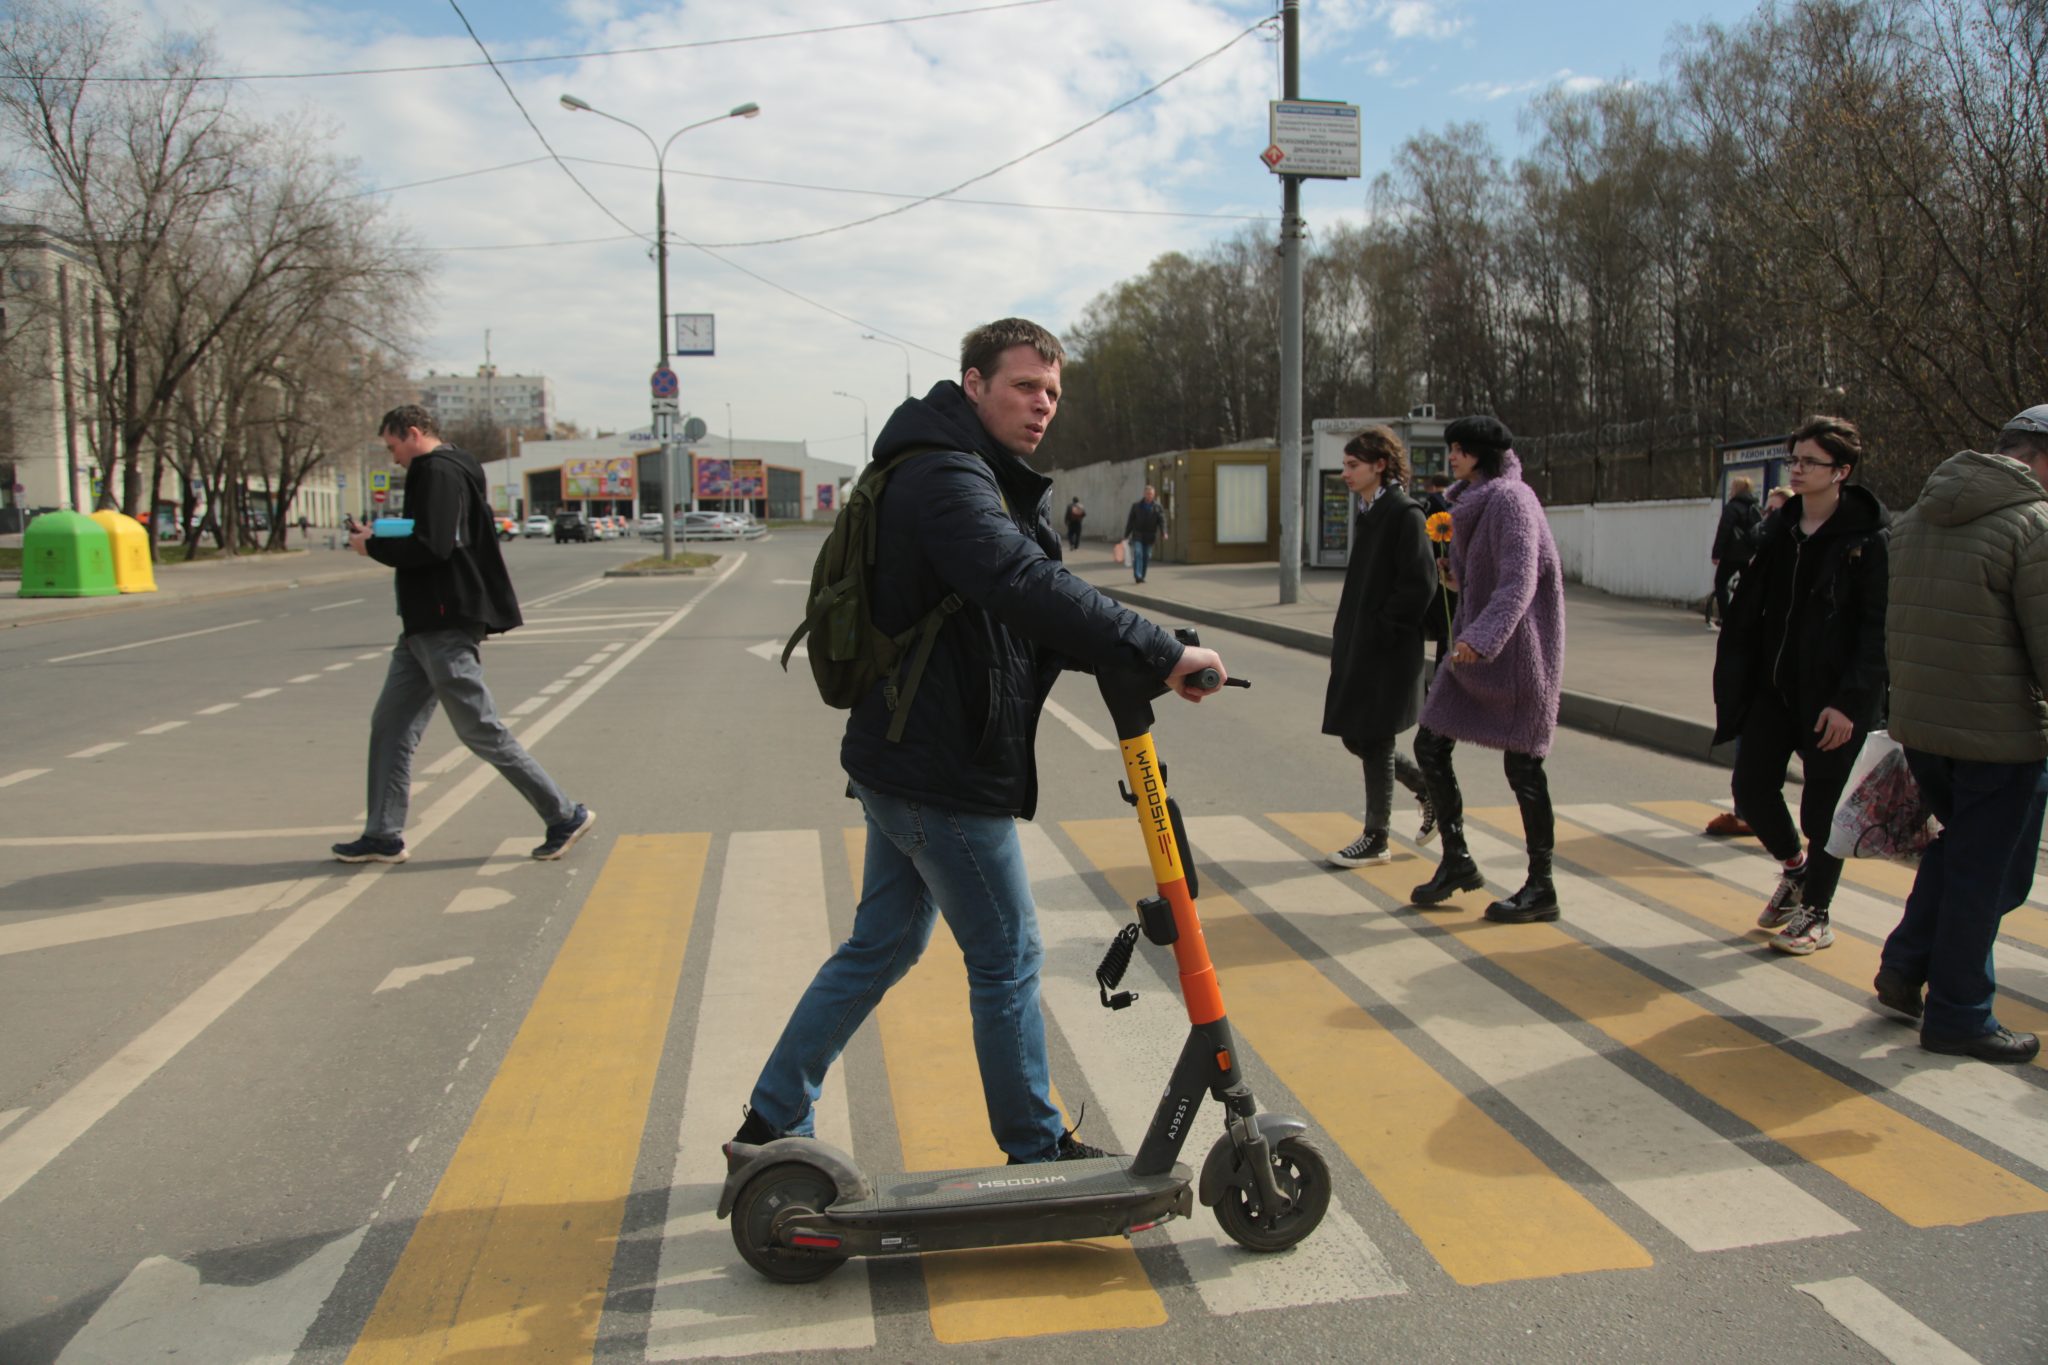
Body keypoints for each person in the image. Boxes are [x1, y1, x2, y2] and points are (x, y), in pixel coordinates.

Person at [731, 319, 1227, 1164]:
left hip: (910, 756)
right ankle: (1035, 1147)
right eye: (1026, 386)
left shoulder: (975, 472)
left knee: (881, 945)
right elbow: (1018, 581)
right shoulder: (944, 477)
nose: (1043, 406)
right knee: (1008, 956)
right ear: (973, 383)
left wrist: (1147, 649)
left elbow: (1018, 620)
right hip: (939, 768)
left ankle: (771, 1120)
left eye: (1054, 394)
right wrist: (1153, 646)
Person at [332, 405, 594, 865]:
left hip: (443, 620)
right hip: (423, 626)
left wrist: (370, 545)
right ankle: (382, 835)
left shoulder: (434, 471)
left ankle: (564, 814)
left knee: (480, 728)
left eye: (393, 447)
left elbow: (434, 544)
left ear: (413, 434)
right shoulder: (452, 468)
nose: (393, 459)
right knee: (390, 728)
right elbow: (434, 534)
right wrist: (380, 534)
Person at [1874, 406, 2048, 1063]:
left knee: (1963, 854)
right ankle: (1960, 1013)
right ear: (2037, 459)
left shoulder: (1917, 518)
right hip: (2000, 734)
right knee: (1992, 877)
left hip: (1925, 729)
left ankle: (1907, 960)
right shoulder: (2034, 524)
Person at [1711, 416, 1888, 954]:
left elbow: (1877, 628)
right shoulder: (1781, 530)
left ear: (1842, 471)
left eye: (1810, 461)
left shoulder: (1868, 539)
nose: (1799, 468)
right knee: (1751, 788)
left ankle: (1817, 913)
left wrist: (1850, 703)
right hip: (1775, 688)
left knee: (1823, 809)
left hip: (1833, 700)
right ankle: (1795, 870)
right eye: (1796, 459)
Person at [1407, 416, 1569, 923]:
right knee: (1430, 743)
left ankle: (1542, 886)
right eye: (1451, 448)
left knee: (1523, 767)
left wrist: (1481, 636)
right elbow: (1488, 578)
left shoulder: (1511, 500)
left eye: (1458, 449)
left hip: (1518, 656)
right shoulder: (1473, 503)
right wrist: (1455, 581)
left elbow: (1520, 581)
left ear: (1480, 454)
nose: (1451, 457)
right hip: (1476, 652)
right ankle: (1457, 858)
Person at [1322, 427, 1436, 865]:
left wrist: (1383, 630)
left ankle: (1377, 836)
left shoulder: (1405, 514)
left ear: (1379, 465)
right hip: (1364, 645)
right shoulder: (1371, 511)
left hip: (1388, 651)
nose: (1346, 474)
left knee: (1376, 736)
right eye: (1346, 465)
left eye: (1353, 466)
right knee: (1357, 733)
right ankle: (1427, 789)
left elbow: (1419, 585)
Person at [1707, 476, 1762, 629]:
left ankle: (1725, 618)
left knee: (1720, 583)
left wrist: (1716, 553)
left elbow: (1723, 531)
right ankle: (1750, 616)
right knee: (1749, 585)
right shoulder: (1754, 506)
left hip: (1732, 554)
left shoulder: (1732, 507)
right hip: (1749, 553)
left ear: (1736, 489)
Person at [1123, 484, 1167, 583]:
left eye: (1151, 494)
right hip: (1138, 534)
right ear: (1144, 494)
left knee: (1146, 556)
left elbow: (1162, 520)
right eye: (1147, 494)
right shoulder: (1136, 506)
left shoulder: (1157, 507)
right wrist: (1126, 535)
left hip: (1150, 536)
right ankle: (1138, 575)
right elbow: (1130, 521)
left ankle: (1142, 575)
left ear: (1154, 495)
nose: (1149, 496)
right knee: (1138, 553)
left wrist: (1164, 532)